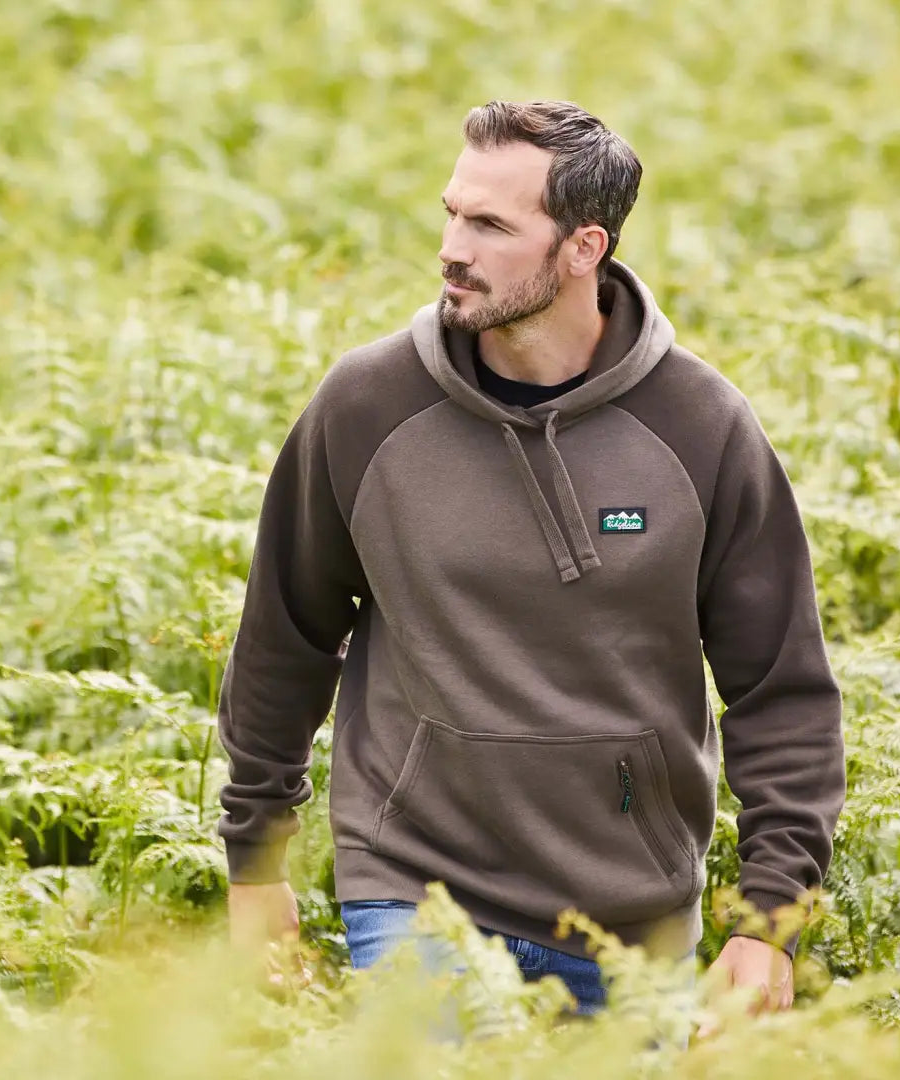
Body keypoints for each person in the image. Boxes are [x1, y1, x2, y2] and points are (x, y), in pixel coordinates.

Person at [218, 99, 846, 1023]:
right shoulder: (365, 406)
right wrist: (255, 862)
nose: (452, 247)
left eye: (490, 225)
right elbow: (287, 634)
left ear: (583, 248)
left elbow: (781, 688)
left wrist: (768, 918)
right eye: (452, 212)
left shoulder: (701, 428)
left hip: (632, 913)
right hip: (414, 886)